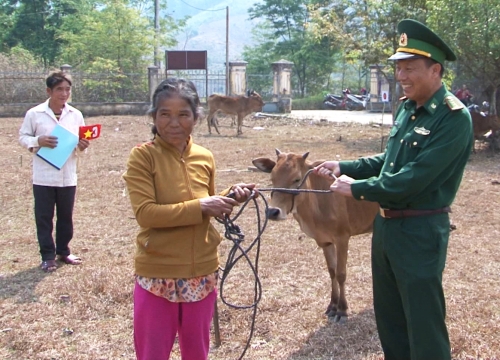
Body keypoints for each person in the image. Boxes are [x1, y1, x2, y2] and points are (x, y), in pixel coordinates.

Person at [314, 19, 473, 360]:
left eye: (410, 68)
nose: (401, 76)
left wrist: (357, 189)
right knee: (391, 323)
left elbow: (415, 178)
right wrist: (345, 167)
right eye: (398, 68)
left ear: (435, 70)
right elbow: (390, 161)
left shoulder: (453, 119)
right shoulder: (408, 108)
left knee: (423, 326)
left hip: (419, 230)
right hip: (385, 228)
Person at [122, 77, 256, 360]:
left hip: (202, 272)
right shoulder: (143, 157)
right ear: (153, 116)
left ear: (196, 117)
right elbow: (146, 214)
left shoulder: (204, 157)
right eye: (165, 114)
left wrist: (230, 195)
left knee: (197, 353)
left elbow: (206, 202)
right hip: (158, 272)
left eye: (183, 114)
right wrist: (202, 206)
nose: (174, 122)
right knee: (152, 353)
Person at [19, 70, 90, 273]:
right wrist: (37, 141)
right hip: (43, 175)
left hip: (67, 174)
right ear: (49, 91)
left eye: (67, 89)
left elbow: (80, 140)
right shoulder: (35, 114)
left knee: (66, 215)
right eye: (59, 89)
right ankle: (47, 256)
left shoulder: (75, 115)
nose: (64, 93)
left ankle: (63, 251)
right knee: (44, 216)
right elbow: (23, 136)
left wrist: (82, 145)